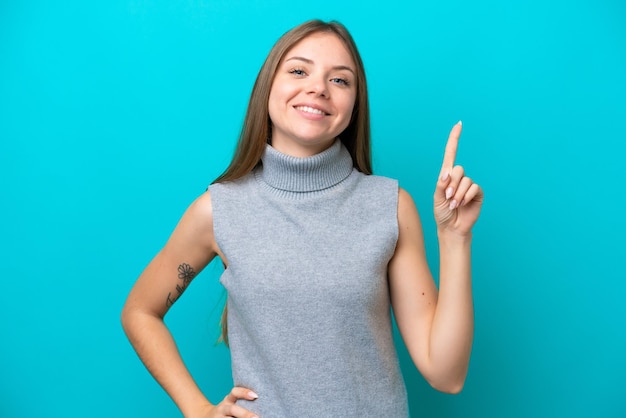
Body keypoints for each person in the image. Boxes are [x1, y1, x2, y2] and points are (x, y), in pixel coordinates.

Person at [121, 19, 483, 418]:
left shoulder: (390, 206)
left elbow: (446, 374)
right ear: (268, 87)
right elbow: (140, 311)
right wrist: (197, 408)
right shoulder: (218, 210)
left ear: (354, 105)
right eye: (298, 70)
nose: (318, 88)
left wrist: (454, 238)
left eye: (340, 80)